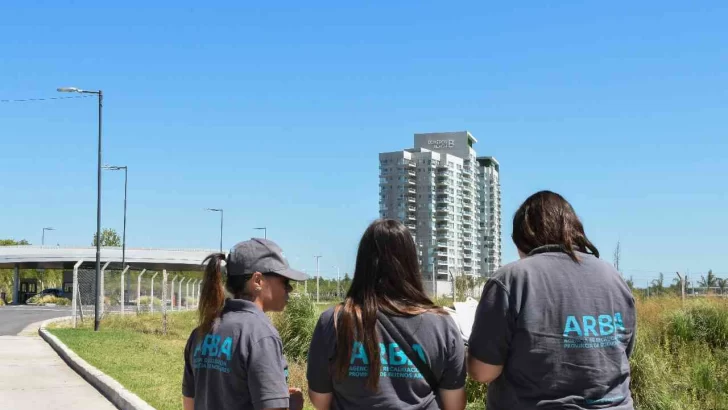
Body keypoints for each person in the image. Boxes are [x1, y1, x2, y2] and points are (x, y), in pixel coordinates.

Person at [468, 191, 637, 409]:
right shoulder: (614, 278)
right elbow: (620, 353)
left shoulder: (512, 279)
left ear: (522, 238)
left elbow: (483, 372)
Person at [306, 219, 467, 410]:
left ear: (363, 263)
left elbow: (320, 400)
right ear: (411, 263)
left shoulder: (333, 321)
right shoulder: (443, 325)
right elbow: (454, 405)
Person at [183, 238, 308, 410]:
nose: (290, 289)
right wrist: (291, 405)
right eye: (284, 281)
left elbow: (189, 404)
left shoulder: (201, 332)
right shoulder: (261, 335)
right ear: (257, 281)